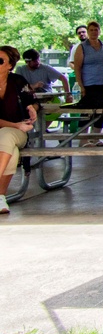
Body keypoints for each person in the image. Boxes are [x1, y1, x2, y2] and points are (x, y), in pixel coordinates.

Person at [72, 21, 103, 146]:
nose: (94, 32)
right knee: (87, 111)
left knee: (102, 112)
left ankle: (96, 137)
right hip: (90, 83)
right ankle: (83, 139)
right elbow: (77, 67)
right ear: (88, 32)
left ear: (99, 31)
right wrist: (81, 85)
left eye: (96, 30)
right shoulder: (82, 47)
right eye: (91, 30)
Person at [0, 46, 38, 214]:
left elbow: (35, 102)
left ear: (10, 65)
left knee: (7, 137)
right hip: (14, 128)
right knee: (12, 151)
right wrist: (17, 125)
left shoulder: (18, 81)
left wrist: (32, 107)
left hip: (16, 133)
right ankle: (0, 198)